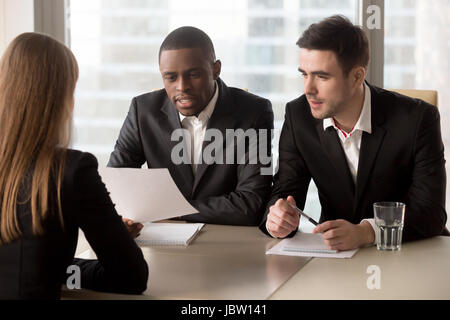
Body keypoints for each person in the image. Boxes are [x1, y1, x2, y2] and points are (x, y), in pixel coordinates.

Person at [261, 15, 448, 249]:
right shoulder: (298, 115)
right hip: (335, 255)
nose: (308, 89)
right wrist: (278, 219)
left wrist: (366, 231)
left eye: (322, 76)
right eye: (304, 74)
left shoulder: (418, 118)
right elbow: (285, 192)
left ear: (357, 76)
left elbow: (431, 213)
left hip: (411, 251)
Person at [0, 33, 148, 299]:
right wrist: (60, 268)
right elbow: (131, 277)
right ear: (58, 100)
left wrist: (51, 268)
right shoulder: (71, 170)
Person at [108, 26, 274, 226]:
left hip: (228, 241)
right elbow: (116, 185)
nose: (182, 86)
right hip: (162, 242)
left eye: (193, 75)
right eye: (170, 77)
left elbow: (253, 203)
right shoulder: (142, 111)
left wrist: (175, 210)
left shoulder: (256, 113)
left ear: (216, 70)